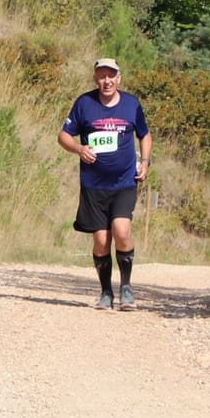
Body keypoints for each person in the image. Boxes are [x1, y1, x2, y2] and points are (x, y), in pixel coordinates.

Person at [58, 58, 151, 310]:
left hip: (124, 182)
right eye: (101, 76)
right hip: (93, 185)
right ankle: (106, 292)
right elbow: (63, 135)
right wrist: (79, 148)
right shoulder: (84, 103)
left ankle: (127, 288)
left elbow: (144, 133)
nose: (106, 81)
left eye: (111, 75)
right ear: (95, 78)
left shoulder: (131, 104)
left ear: (119, 78)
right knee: (101, 241)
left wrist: (145, 161)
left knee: (121, 232)